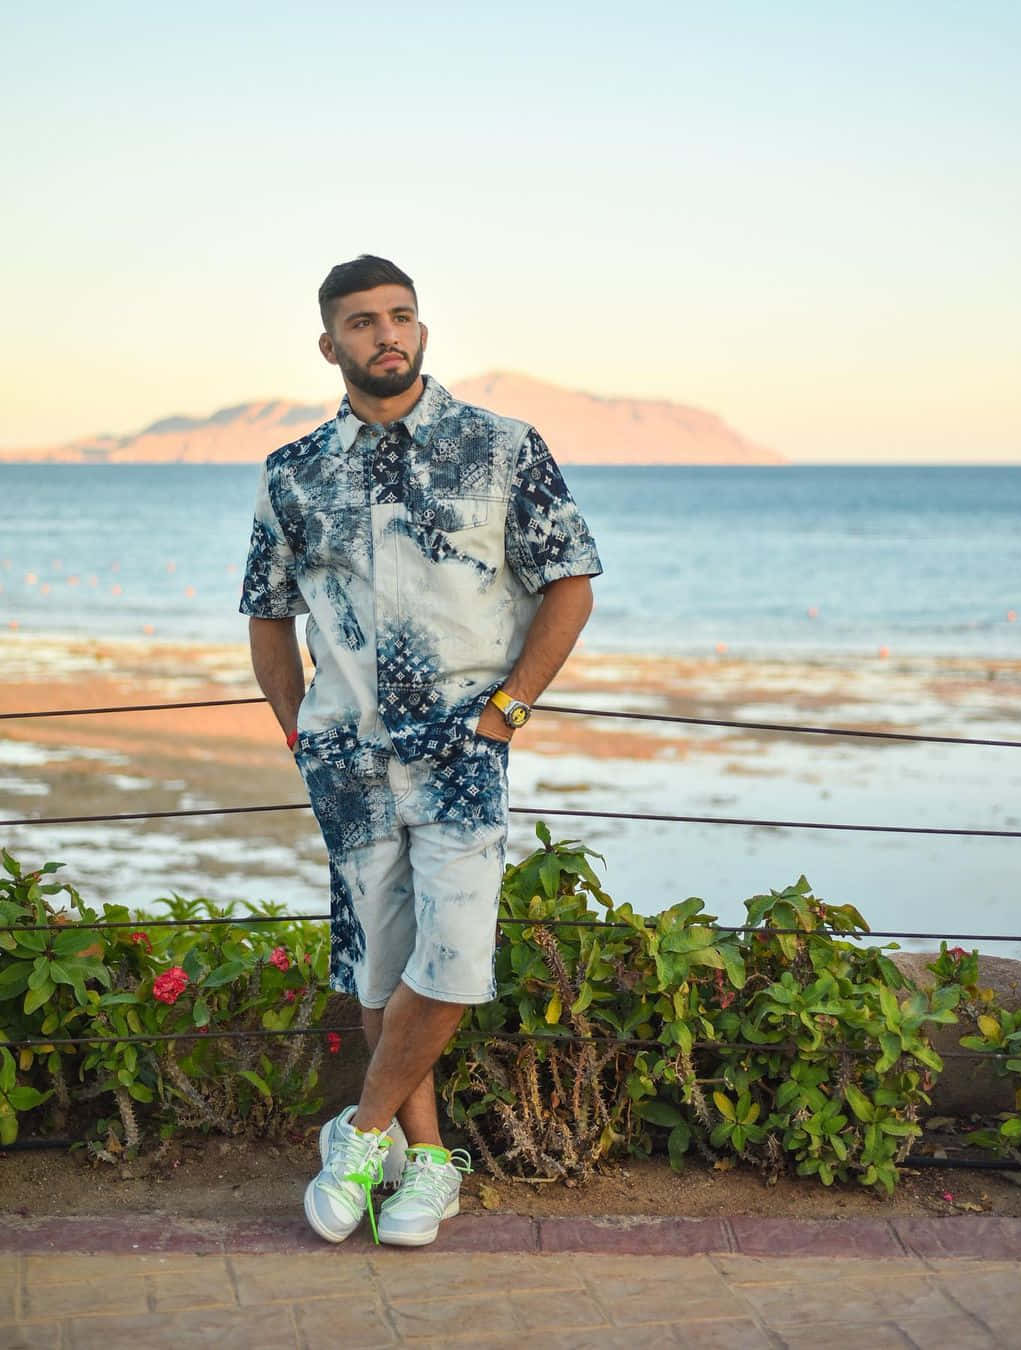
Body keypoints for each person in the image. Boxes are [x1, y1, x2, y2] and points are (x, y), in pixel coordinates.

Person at [239, 255, 601, 1248]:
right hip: (346, 762)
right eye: (361, 323)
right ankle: (429, 1164)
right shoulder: (293, 472)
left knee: (454, 958)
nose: (384, 335)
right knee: (378, 972)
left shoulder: (503, 448)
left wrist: (510, 710)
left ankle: (359, 1135)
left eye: (400, 317)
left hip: (463, 750)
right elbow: (269, 617)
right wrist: (295, 727)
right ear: (331, 345)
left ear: (423, 331)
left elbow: (570, 585)